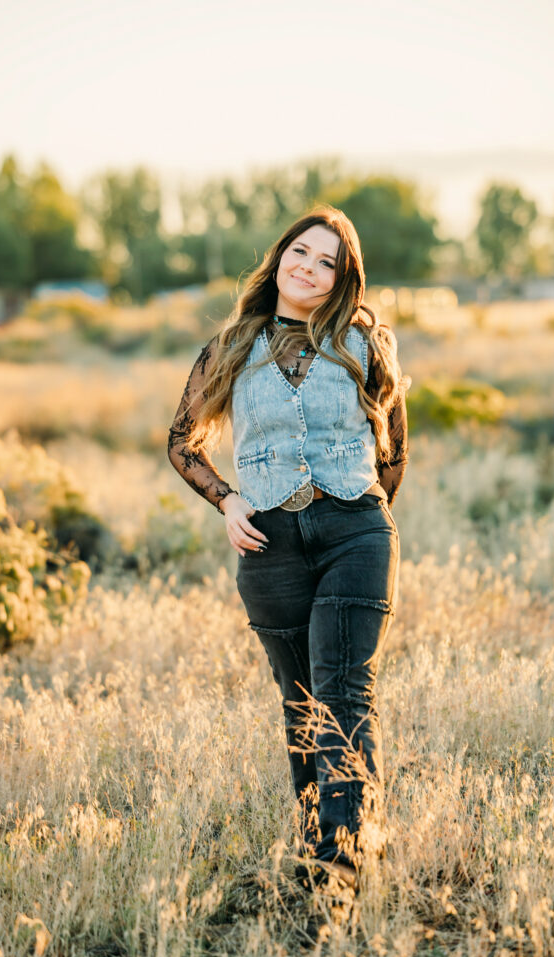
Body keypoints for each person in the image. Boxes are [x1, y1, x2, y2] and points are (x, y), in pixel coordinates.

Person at [167, 205, 410, 893]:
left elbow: (392, 448)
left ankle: (344, 861)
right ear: (278, 260)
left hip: (354, 531)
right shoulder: (230, 346)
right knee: (300, 700)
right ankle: (317, 849)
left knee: (343, 692)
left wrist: (366, 520)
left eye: (326, 261)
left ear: (342, 278)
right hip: (267, 545)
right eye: (299, 253)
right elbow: (180, 442)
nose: (308, 268)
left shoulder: (366, 343)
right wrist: (228, 499)